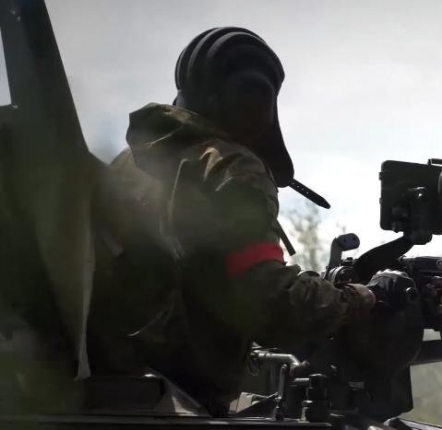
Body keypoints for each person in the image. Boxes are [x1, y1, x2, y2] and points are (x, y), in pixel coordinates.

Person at [87, 27, 377, 416]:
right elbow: (268, 301)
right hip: (184, 402)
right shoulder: (229, 167)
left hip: (114, 390)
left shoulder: (129, 164)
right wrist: (351, 300)